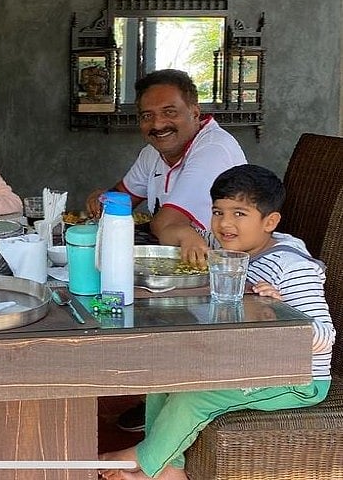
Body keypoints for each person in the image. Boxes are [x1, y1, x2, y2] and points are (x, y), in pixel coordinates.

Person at [99, 164, 335, 480]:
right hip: (243, 364)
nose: (224, 223)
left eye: (239, 213)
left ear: (270, 222)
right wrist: (185, 235)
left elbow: (326, 336)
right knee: (165, 375)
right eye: (217, 212)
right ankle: (169, 470)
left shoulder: (292, 267)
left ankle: (141, 458)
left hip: (295, 379)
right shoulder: (226, 244)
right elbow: (171, 229)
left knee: (194, 397)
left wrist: (279, 316)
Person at [85, 69, 247, 266]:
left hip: (228, 271)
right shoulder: (152, 152)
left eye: (169, 112)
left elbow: (166, 223)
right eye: (147, 115)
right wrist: (102, 199)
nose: (158, 124)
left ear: (195, 113)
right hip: (183, 265)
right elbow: (120, 199)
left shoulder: (213, 149)